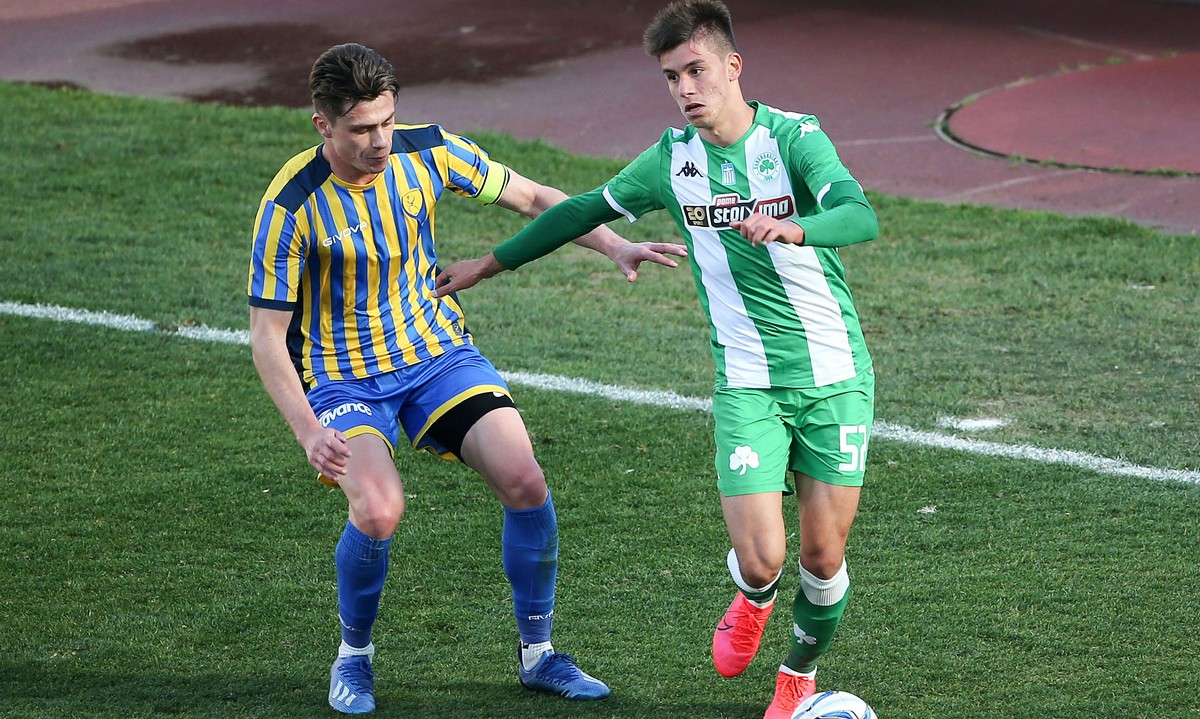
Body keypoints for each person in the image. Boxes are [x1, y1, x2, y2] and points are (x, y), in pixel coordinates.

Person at [432, 2, 879, 718]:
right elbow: (581, 210)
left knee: (823, 560)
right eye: (672, 77)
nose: (685, 89)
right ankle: (754, 592)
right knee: (764, 558)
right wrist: (489, 263)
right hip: (749, 385)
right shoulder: (671, 162)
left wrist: (794, 227)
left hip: (835, 378)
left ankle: (796, 677)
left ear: (733, 67)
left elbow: (860, 215)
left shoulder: (795, 140)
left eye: (697, 71)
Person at [246, 42, 686, 715]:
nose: (379, 141)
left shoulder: (428, 150)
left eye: (387, 121)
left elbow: (533, 196)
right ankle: (353, 658)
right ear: (322, 124)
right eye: (361, 129)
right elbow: (267, 337)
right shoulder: (290, 204)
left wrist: (614, 243)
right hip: (343, 379)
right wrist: (308, 431)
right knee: (378, 509)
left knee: (524, 479)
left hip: (435, 354)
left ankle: (538, 654)